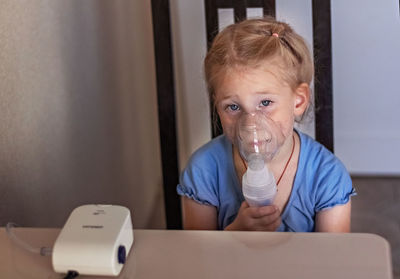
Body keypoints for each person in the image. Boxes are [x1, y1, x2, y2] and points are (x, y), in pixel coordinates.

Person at [177, 17, 355, 232]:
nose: (251, 123)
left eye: (265, 103)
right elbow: (197, 258)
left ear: (298, 101)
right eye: (233, 107)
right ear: (217, 105)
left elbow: (333, 260)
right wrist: (235, 234)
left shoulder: (326, 177)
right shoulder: (204, 171)